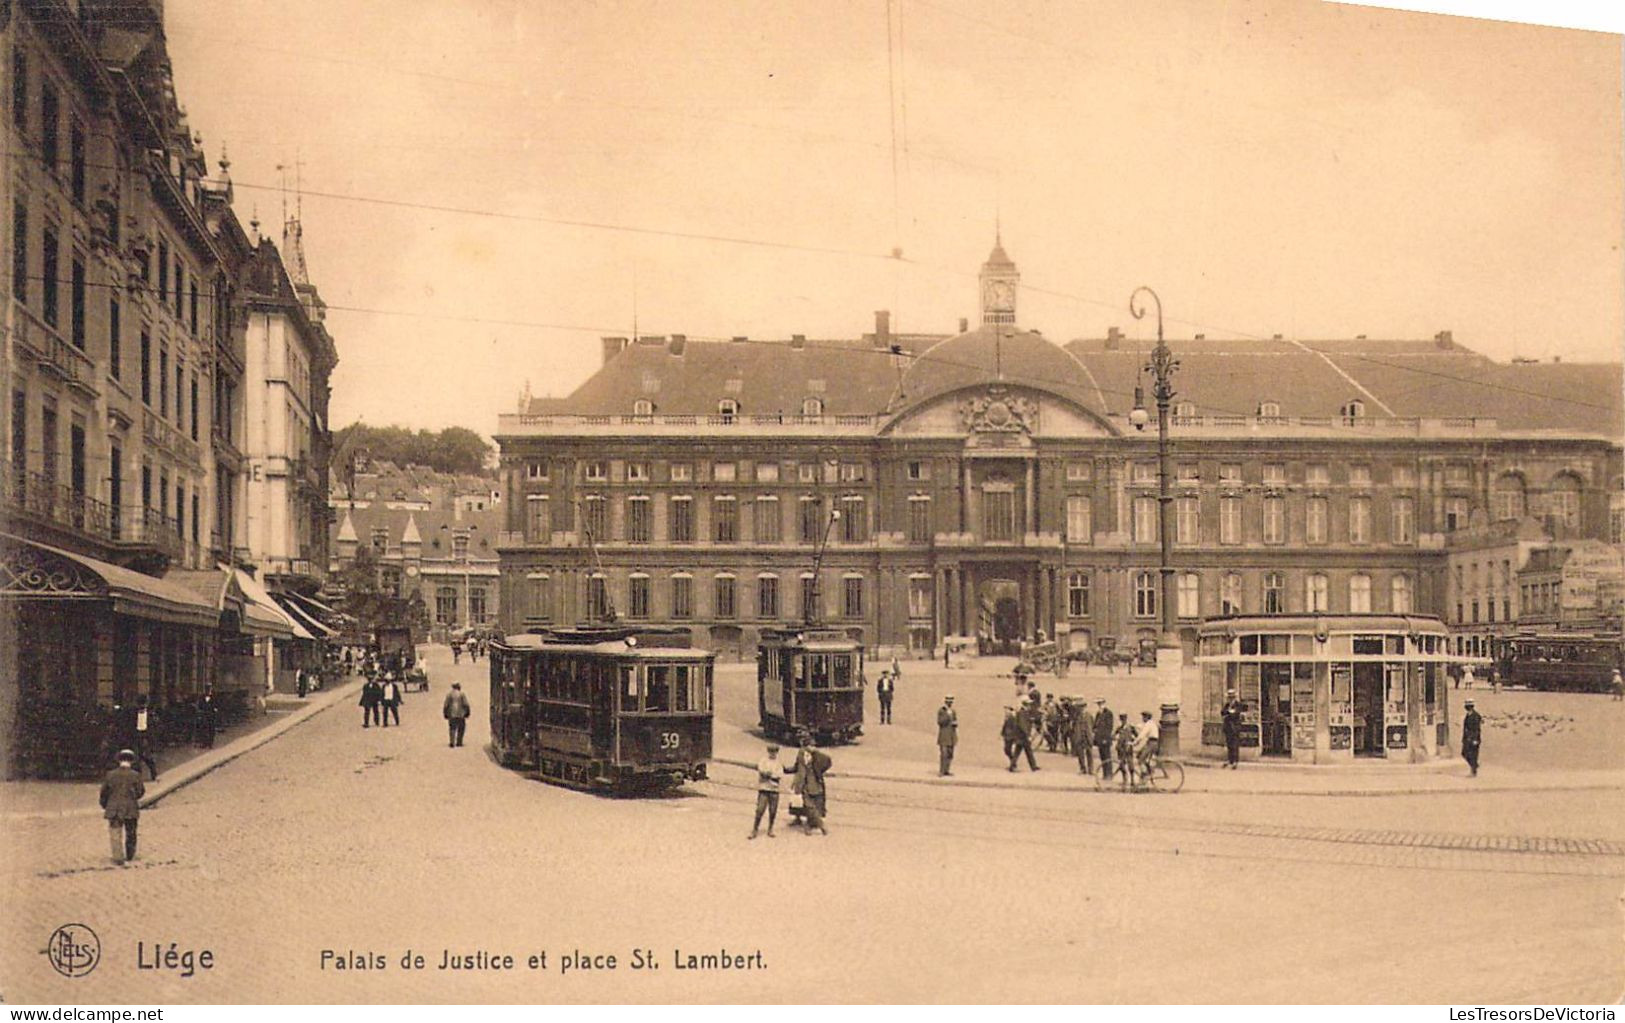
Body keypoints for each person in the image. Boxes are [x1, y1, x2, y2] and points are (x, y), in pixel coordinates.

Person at [99, 749, 145, 865]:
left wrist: (105, 804)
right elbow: (140, 791)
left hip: (114, 807)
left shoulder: (110, 774)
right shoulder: (135, 775)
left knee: (115, 832)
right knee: (131, 832)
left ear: (119, 760)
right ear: (131, 761)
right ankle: (130, 855)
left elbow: (104, 792)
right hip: (130, 807)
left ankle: (117, 856)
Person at [786, 732, 831, 834]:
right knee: (801, 803)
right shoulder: (803, 754)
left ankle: (820, 825)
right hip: (807, 782)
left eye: (813, 745)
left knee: (810, 805)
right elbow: (797, 767)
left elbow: (827, 761)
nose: (812, 747)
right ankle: (804, 822)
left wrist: (819, 771)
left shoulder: (814, 755)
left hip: (810, 783)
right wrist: (786, 770)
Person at [118, 695, 159, 781]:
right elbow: (128, 725)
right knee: (136, 758)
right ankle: (138, 776)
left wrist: (150, 739)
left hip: (144, 737)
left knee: (147, 757)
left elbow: (152, 728)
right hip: (135, 737)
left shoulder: (150, 714)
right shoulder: (132, 712)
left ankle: (153, 773)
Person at [749, 741, 783, 839]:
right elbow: (761, 770)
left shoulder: (778, 763)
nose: (772, 753)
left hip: (774, 790)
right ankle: (755, 829)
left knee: (773, 811)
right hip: (764, 788)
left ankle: (770, 828)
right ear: (768, 751)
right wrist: (768, 774)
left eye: (774, 751)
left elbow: (779, 775)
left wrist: (768, 775)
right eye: (771, 751)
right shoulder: (763, 760)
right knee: (760, 810)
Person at [1002, 706, 1039, 772]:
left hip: (1021, 737)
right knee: (1026, 752)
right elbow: (1023, 725)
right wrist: (1028, 735)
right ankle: (1033, 766)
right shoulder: (1023, 713)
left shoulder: (1023, 713)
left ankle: (1032, 766)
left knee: (1023, 752)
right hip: (1023, 737)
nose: (1029, 707)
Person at [1132, 709, 1160, 780]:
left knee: (1141, 759)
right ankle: (1147, 771)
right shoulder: (1150, 723)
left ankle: (1145, 775)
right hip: (1151, 742)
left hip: (1152, 743)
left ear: (1147, 717)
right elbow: (1141, 726)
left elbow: (1142, 735)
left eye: (1143, 717)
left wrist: (1135, 742)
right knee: (1139, 755)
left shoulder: (1148, 725)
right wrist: (1134, 726)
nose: (1142, 718)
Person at [1221, 688, 1245, 769]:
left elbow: (1236, 714)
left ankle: (1235, 761)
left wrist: (1229, 713)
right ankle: (1230, 760)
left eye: (1232, 697)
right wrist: (1229, 712)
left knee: (1235, 744)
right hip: (1228, 727)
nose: (1230, 699)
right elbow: (1222, 712)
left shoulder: (1238, 704)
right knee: (1229, 744)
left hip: (1235, 727)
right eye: (1229, 697)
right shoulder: (1227, 705)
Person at [1070, 699, 1094, 775]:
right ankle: (1083, 768)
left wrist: (1090, 735)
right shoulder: (1077, 716)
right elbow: (1073, 726)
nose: (1081, 709)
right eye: (1079, 707)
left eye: (1082, 707)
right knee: (1080, 754)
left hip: (1087, 736)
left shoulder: (1089, 715)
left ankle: (1091, 769)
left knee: (1089, 753)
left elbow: (1092, 725)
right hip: (1079, 736)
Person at [1112, 713, 1138, 784]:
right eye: (1121, 719)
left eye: (1124, 719)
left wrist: (1132, 741)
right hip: (1120, 748)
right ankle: (1125, 779)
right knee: (1122, 764)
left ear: (1126, 719)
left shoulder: (1131, 727)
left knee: (1130, 764)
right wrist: (1115, 738)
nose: (1123, 721)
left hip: (1128, 748)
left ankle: (1132, 780)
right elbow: (1113, 735)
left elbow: (1137, 736)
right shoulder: (1119, 728)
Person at [443, 682, 471, 747]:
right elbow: (466, 704)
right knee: (461, 728)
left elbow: (446, 705)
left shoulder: (449, 694)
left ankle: (452, 742)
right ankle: (459, 742)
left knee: (452, 728)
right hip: (461, 714)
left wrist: (445, 713)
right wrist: (467, 712)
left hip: (451, 714)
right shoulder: (462, 694)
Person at [1092, 697, 1114, 780]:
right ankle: (1105, 774)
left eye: (1100, 703)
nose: (1099, 705)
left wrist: (1106, 738)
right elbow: (1095, 725)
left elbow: (1109, 727)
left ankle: (1109, 774)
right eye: (1098, 704)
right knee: (1102, 757)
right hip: (1099, 739)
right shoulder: (1098, 714)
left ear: (1104, 703)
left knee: (1107, 757)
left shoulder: (1108, 713)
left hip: (1105, 739)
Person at [937, 695, 958, 776]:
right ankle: (941, 771)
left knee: (950, 754)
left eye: (951, 702)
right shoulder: (942, 711)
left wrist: (955, 723)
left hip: (951, 735)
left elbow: (955, 721)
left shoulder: (953, 711)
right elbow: (940, 722)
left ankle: (946, 770)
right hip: (944, 736)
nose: (950, 703)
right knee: (944, 754)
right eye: (948, 702)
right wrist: (948, 717)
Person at [1461, 698, 1483, 777]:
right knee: (1464, 753)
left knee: (1473, 755)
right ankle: (1475, 765)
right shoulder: (1468, 715)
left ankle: (1473, 771)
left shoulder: (1475, 716)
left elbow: (1477, 729)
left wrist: (1475, 739)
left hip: (1473, 739)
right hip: (1467, 738)